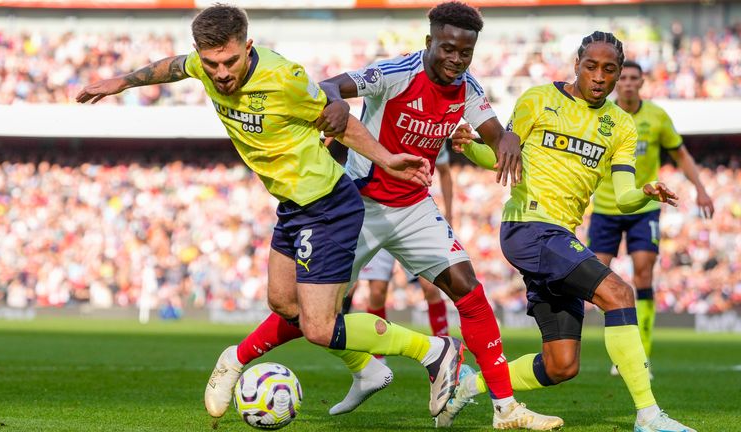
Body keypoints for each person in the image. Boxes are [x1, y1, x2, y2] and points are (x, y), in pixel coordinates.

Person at [75, 3, 467, 423]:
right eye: (211, 64)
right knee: (283, 304)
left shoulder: (285, 78)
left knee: (319, 326)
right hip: (293, 206)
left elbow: (341, 121)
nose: (221, 73)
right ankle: (366, 368)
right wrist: (123, 81)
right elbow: (173, 67)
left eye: (230, 62)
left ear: (248, 48)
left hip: (328, 206)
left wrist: (387, 159)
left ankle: (432, 350)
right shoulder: (202, 65)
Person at [204, 2, 563, 430]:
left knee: (470, 290)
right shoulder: (395, 73)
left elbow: (494, 130)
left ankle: (506, 409)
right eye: (447, 49)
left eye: (465, 53)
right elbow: (332, 85)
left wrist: (507, 140)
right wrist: (335, 104)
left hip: (413, 207)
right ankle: (243, 358)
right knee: (306, 312)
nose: (455, 60)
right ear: (429, 42)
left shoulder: (468, 88)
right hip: (358, 206)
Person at [440, 31, 696, 432]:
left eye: (608, 70)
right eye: (591, 66)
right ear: (576, 64)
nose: (599, 76)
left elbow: (625, 194)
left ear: (616, 76)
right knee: (619, 294)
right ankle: (648, 416)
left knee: (562, 365)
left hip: (559, 237)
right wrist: (470, 146)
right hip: (529, 226)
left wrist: (646, 194)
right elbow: (501, 158)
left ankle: (468, 385)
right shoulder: (537, 99)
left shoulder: (620, 125)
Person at [588, 60, 714, 378]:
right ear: (617, 81)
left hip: (644, 208)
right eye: (624, 78)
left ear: (642, 82)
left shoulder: (657, 116)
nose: (628, 83)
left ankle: (641, 355)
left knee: (643, 274)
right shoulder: (602, 115)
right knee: (596, 280)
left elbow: (681, 153)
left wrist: (700, 188)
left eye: (634, 78)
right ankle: (620, 349)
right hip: (606, 208)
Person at [343, 145, 456, 341]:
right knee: (377, 291)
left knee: (430, 286)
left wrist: (449, 214)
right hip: (377, 214)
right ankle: (379, 354)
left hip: (412, 215)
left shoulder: (432, 132)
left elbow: (445, 172)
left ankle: (445, 344)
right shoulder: (378, 128)